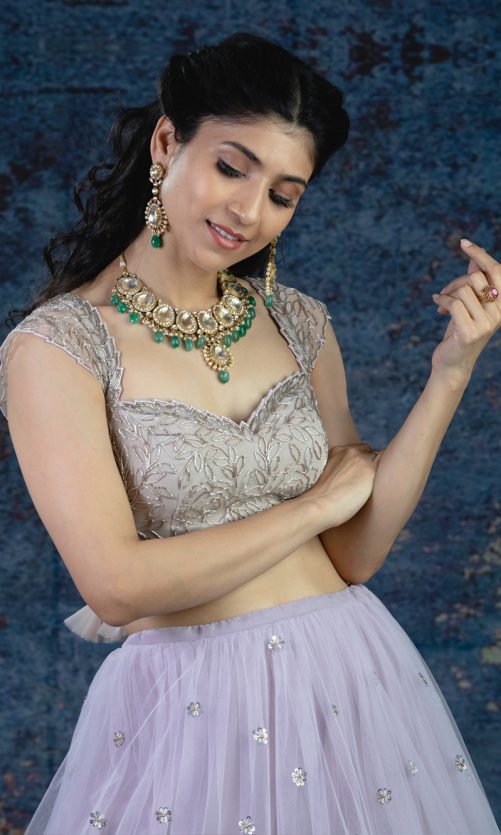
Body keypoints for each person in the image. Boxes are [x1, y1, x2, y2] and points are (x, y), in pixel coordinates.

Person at [0, 31, 499, 835]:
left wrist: (450, 371)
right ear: (168, 142)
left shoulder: (297, 321)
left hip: (352, 679)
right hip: (191, 708)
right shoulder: (59, 346)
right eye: (232, 167)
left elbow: (354, 554)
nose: (248, 211)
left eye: (282, 193)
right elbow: (114, 585)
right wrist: (312, 507)